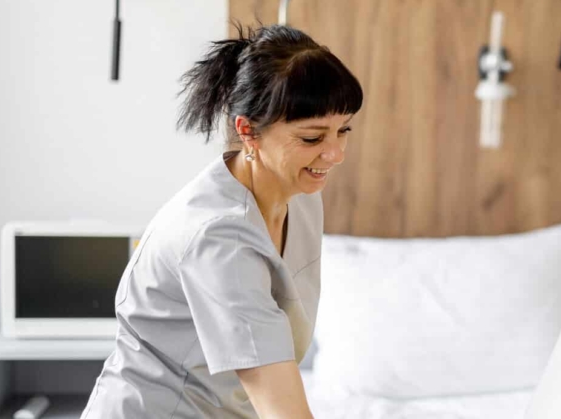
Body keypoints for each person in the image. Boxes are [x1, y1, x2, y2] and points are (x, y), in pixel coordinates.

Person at [82, 24, 362, 418]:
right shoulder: (218, 237)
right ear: (248, 131)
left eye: (343, 130)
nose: (336, 154)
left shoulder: (301, 196)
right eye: (312, 138)